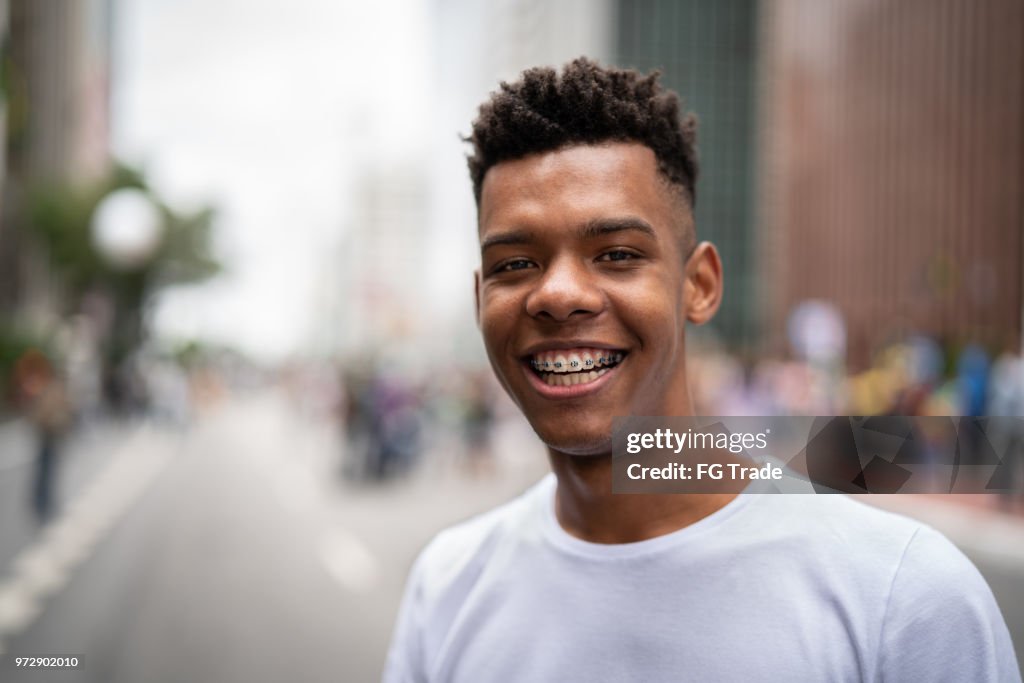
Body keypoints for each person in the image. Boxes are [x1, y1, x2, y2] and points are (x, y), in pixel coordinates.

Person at [383, 58, 1020, 682]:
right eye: (515, 263)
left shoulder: (901, 597)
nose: (558, 294)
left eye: (617, 254)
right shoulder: (445, 588)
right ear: (479, 300)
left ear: (700, 285)